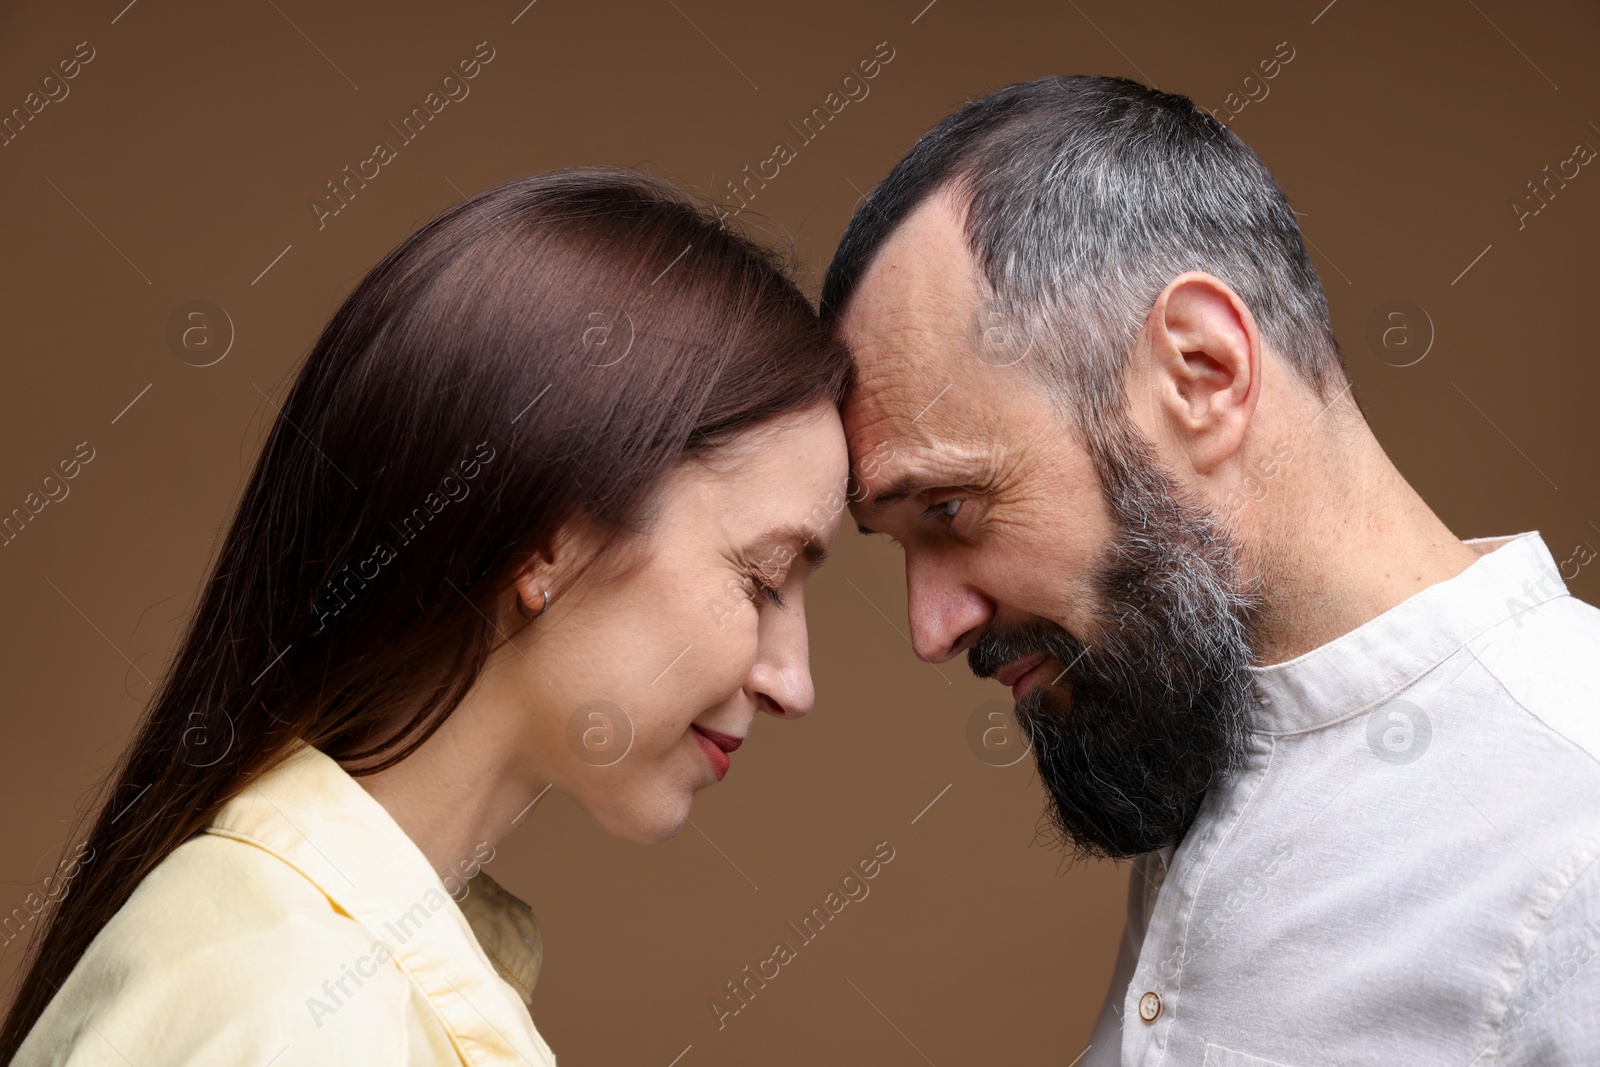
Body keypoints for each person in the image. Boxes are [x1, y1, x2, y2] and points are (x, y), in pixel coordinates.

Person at [823, 75, 1600, 1065]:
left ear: (1199, 373)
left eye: (948, 509)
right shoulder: (1194, 707)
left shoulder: (1576, 834)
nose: (930, 627)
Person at [2, 168, 852, 1065]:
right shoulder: (299, 1011)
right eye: (763, 577)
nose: (792, 681)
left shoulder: (319, 967)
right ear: (547, 540)